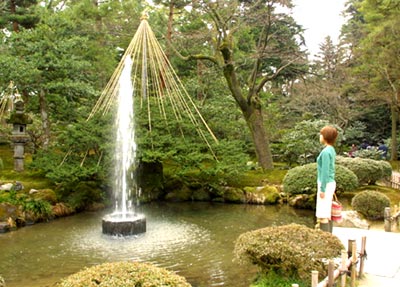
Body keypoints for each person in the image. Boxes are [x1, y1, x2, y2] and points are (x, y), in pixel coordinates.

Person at [316, 126, 338, 233]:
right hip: (330, 182)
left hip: (325, 184)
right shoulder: (331, 150)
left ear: (325, 137)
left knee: (323, 214)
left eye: (321, 134)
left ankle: (326, 241)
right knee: (328, 213)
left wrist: (322, 189)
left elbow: (325, 172)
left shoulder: (325, 152)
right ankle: (330, 238)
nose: (320, 136)